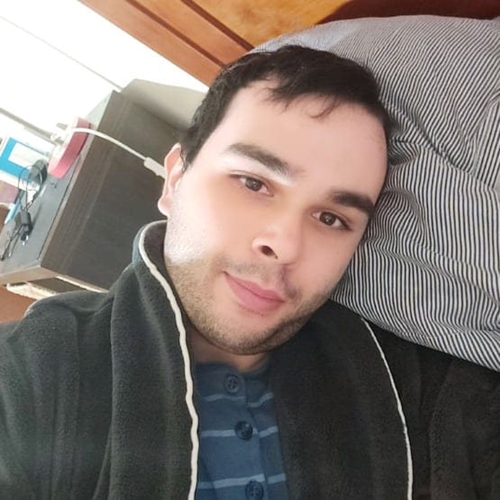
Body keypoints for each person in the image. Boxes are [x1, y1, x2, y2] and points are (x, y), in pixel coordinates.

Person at [0, 45, 498, 500]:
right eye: (253, 183)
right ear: (175, 179)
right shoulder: (35, 372)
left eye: (331, 218)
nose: (284, 245)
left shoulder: (415, 380)